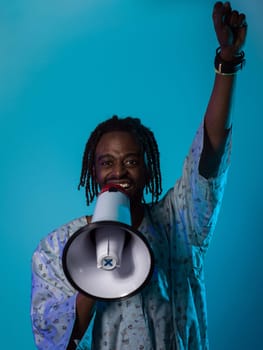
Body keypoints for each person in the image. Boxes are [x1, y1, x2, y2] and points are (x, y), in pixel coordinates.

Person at [30, 2, 247, 349]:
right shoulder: (56, 250)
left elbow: (211, 151)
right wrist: (97, 264)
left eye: (131, 161)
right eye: (107, 162)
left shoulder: (179, 221)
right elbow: (56, 341)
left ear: (148, 170)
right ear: (92, 170)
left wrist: (227, 64)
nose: (119, 171)